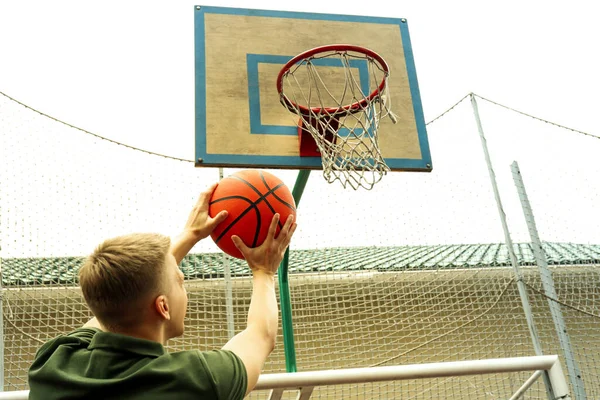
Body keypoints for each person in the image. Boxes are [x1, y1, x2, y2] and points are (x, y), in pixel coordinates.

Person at [27, 182, 297, 399]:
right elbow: (261, 336)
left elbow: (114, 297)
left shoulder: (54, 361)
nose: (184, 283)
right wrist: (264, 271)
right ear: (163, 307)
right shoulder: (195, 379)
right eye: (180, 280)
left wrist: (189, 235)